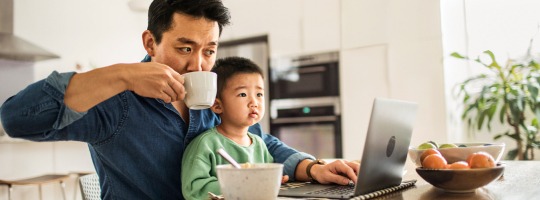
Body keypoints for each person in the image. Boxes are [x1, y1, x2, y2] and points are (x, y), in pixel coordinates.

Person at [0, 0, 359, 199]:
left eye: (209, 51)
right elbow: (15, 118)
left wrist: (312, 168)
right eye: (185, 48)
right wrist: (123, 74)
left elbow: (258, 142)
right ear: (150, 43)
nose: (197, 64)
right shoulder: (116, 101)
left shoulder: (213, 97)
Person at [181, 56, 276, 199]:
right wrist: (240, 186)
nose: (254, 102)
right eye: (243, 94)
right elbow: (194, 189)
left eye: (259, 94)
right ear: (218, 106)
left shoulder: (260, 144)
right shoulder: (205, 144)